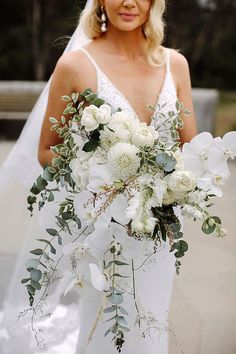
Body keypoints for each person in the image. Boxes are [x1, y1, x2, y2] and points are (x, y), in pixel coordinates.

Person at [0, 0, 197, 353]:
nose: (128, 3)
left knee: (151, 319)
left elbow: (191, 148)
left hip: (160, 228)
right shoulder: (76, 65)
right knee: (105, 321)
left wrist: (169, 184)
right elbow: (47, 150)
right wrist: (101, 183)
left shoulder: (176, 64)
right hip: (102, 226)